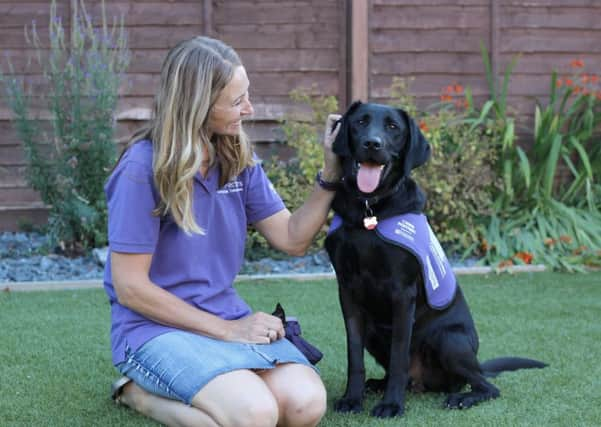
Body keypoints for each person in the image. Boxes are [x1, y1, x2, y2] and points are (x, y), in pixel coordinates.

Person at [104, 36, 341, 427]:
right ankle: (138, 393)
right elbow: (131, 288)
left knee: (305, 403)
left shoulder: (236, 157)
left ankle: (220, 383)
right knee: (255, 414)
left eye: (246, 96)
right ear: (197, 106)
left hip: (223, 317)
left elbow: (292, 238)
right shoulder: (141, 169)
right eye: (236, 101)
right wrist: (228, 331)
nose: (248, 109)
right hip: (153, 330)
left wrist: (330, 173)